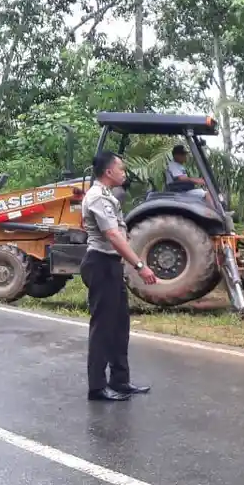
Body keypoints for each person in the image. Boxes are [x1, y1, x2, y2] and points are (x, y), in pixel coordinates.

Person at [81, 151, 158, 401]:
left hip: (111, 265)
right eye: (121, 169)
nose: (124, 173)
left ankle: (120, 380)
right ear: (108, 172)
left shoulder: (108, 196)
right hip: (100, 263)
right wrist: (139, 265)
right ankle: (97, 387)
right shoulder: (96, 197)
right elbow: (113, 236)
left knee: (119, 325)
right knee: (103, 327)